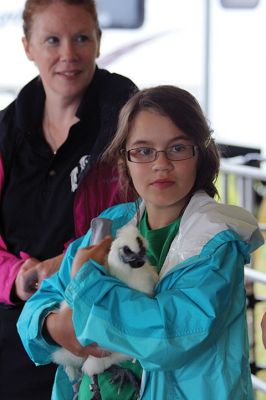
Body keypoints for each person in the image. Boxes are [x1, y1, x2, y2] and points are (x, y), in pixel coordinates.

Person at [18, 85, 264, 400]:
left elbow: (171, 335)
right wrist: (52, 326)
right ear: (125, 159)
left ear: (200, 153)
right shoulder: (112, 224)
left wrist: (88, 289)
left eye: (177, 148)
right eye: (144, 151)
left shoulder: (215, 242)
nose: (161, 164)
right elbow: (45, 298)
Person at [0, 0, 137, 399]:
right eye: (52, 40)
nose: (68, 55)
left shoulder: (127, 119)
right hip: (17, 331)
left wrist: (67, 266)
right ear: (28, 47)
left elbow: (143, 219)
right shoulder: (8, 131)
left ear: (98, 40)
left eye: (81, 38)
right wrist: (22, 276)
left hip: (95, 331)